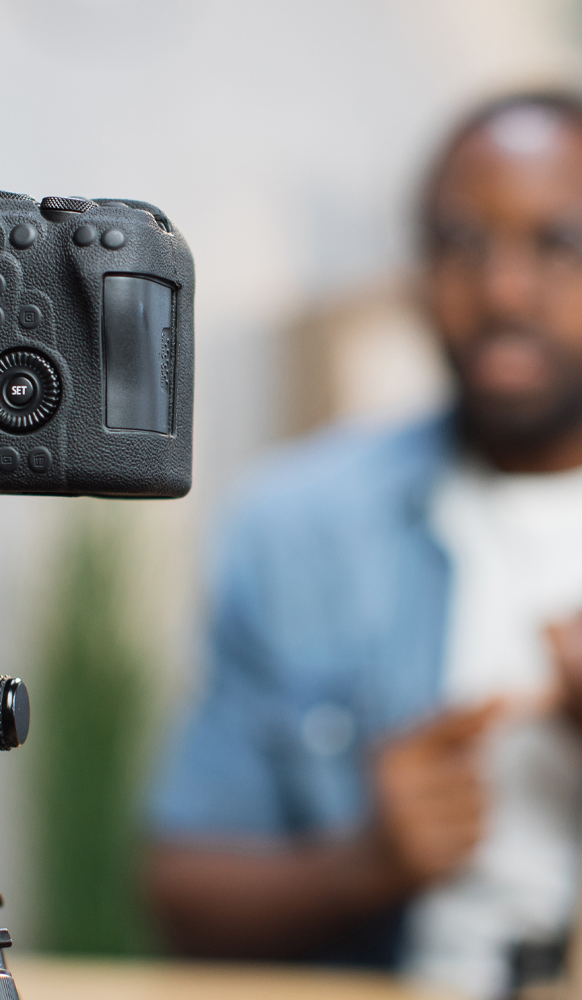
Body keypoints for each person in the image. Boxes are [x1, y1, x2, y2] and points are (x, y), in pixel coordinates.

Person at [148, 91, 582, 1000]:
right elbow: (179, 890)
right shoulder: (296, 527)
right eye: (462, 244)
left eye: (558, 243)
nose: (503, 288)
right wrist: (363, 864)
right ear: (417, 271)